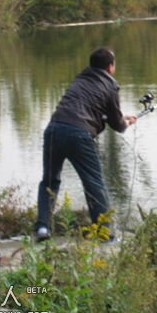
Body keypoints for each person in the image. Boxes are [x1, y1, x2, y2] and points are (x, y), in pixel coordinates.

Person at [34, 47, 137, 242]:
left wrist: (120, 118)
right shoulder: (110, 85)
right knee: (94, 183)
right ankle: (104, 233)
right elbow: (118, 125)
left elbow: (90, 108)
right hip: (79, 135)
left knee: (49, 181)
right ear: (110, 67)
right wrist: (127, 122)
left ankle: (42, 228)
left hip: (54, 129)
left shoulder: (80, 79)